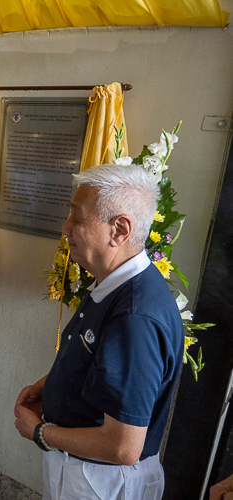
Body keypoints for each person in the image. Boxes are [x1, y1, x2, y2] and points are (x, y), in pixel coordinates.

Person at [14, 163, 183, 500]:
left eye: (77, 218)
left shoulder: (136, 318)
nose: (65, 227)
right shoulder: (112, 285)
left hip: (103, 482)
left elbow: (122, 447)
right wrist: (49, 386)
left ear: (119, 229)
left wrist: (41, 433)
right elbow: (97, 358)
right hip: (86, 472)